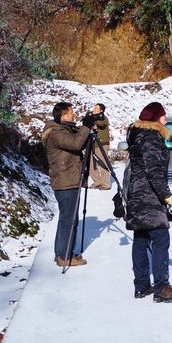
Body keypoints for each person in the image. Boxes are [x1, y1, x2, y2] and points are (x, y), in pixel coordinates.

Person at [126, 101, 172, 302]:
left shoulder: (138, 135)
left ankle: (141, 286)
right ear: (156, 118)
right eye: (163, 115)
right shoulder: (151, 137)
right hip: (148, 196)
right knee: (160, 239)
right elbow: (154, 170)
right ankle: (161, 288)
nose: (166, 119)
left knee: (141, 239)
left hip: (137, 194)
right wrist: (166, 195)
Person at [41, 101, 93, 268]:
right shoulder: (55, 133)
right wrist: (85, 127)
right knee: (69, 220)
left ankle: (62, 253)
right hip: (65, 182)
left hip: (68, 179)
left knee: (67, 219)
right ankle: (64, 256)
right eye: (71, 113)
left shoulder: (63, 130)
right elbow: (75, 144)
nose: (74, 115)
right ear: (63, 116)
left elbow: (79, 143)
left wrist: (87, 128)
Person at [83, 103, 112, 190]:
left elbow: (101, 124)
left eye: (96, 108)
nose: (94, 109)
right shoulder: (92, 119)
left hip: (102, 144)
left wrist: (92, 119)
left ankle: (106, 184)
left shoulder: (103, 118)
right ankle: (98, 181)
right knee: (91, 165)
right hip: (93, 144)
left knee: (102, 163)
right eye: (94, 108)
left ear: (101, 110)